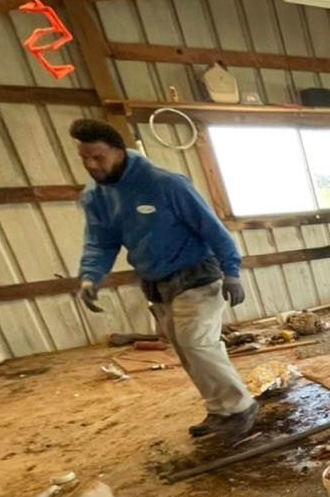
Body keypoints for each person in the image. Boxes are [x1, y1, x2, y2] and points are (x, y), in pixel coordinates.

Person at [70, 119, 259, 440]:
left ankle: (240, 408)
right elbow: (100, 242)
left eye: (98, 157)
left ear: (118, 151)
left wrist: (232, 271)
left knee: (197, 342)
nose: (91, 165)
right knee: (185, 349)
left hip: (196, 275)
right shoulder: (96, 197)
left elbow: (212, 229)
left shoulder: (166, 185)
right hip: (157, 283)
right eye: (84, 158)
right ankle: (220, 409)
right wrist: (90, 277)